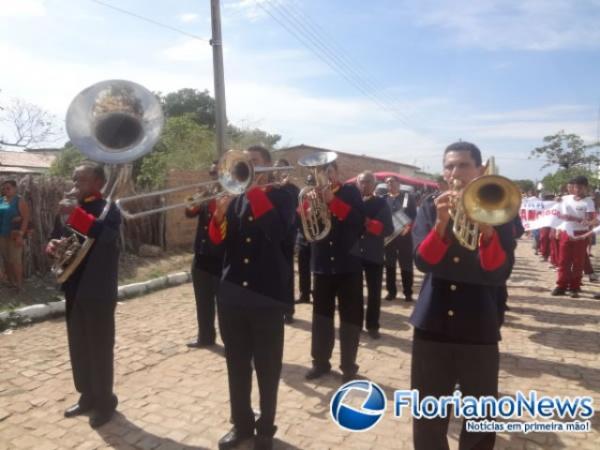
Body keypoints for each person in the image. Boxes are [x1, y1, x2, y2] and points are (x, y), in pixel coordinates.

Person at [410, 141, 515, 450]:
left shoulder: (498, 206)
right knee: (428, 417)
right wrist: (441, 225)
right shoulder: (431, 206)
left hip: (478, 323)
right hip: (432, 323)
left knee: (480, 419)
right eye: (449, 166)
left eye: (463, 165)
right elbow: (422, 261)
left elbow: (498, 272)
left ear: (480, 170)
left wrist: (488, 233)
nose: (455, 172)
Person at [208, 146, 295, 450]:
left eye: (255, 163)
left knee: (268, 367)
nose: (248, 168)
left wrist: (256, 192)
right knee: (236, 364)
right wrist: (218, 215)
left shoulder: (284, 195)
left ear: (269, 167)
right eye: (245, 164)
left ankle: (266, 428)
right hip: (232, 293)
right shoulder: (235, 197)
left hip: (266, 294)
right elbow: (218, 244)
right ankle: (241, 424)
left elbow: (280, 233)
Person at [46, 164, 121, 429]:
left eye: (82, 179)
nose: (76, 182)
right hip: (73, 286)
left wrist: (75, 213)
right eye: (75, 178)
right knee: (78, 345)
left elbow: (107, 235)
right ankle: (87, 395)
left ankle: (105, 401)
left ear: (98, 182)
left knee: (100, 348)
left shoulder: (109, 208)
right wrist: (52, 246)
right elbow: (57, 238)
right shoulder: (71, 208)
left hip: (99, 290)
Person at [305, 158, 365, 383]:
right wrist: (308, 211)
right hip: (322, 265)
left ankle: (349, 366)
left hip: (348, 265)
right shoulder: (310, 194)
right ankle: (320, 363)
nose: (325, 176)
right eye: (321, 172)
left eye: (328, 171)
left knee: (350, 319)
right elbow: (303, 228)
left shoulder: (350, 193)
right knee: (321, 319)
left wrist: (332, 202)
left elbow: (359, 222)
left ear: (337, 172)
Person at [185, 161, 223, 348]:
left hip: (221, 256)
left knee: (224, 303)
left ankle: (231, 342)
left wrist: (215, 198)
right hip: (201, 254)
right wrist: (196, 197)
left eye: (216, 173)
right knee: (203, 300)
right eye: (212, 173)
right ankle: (205, 337)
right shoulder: (207, 195)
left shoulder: (233, 194)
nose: (214, 177)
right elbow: (189, 212)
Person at [356, 171, 393, 339]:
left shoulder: (381, 204)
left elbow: (388, 229)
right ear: (358, 183)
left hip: (374, 253)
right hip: (354, 253)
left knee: (374, 293)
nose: (365, 185)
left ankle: (372, 326)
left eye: (369, 182)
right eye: (362, 182)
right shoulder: (353, 202)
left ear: (375, 184)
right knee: (353, 292)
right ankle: (354, 324)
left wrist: (368, 223)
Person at [551, 176, 595, 298]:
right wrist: (556, 200)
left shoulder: (588, 202)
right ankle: (561, 285)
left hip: (580, 234)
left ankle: (575, 287)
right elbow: (556, 210)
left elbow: (591, 220)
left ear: (586, 188)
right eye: (575, 187)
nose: (577, 189)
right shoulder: (565, 198)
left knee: (578, 262)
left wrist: (576, 219)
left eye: (580, 187)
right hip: (566, 233)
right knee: (563, 260)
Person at [274, 158, 299, 324]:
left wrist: (283, 188)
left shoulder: (292, 189)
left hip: (287, 238)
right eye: (276, 168)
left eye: (282, 168)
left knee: (287, 275)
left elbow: (294, 213)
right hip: (271, 237)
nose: (278, 171)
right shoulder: (269, 187)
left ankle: (288, 310)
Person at [384, 177, 417, 301]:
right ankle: (391, 292)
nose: (389, 184)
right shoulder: (384, 199)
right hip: (389, 238)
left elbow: (413, 215)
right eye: (387, 182)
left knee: (406, 265)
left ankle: (408, 293)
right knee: (390, 265)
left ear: (399, 184)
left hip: (405, 236)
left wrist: (408, 227)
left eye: (392, 181)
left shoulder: (408, 198)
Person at [0, 180, 30, 292]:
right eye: (4, 188)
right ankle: (12, 282)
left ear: (15, 188)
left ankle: (19, 285)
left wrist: (21, 235)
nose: (5, 190)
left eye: (8, 188)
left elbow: (26, 218)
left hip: (14, 235)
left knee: (16, 261)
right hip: (2, 235)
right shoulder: (1, 200)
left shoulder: (19, 200)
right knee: (7, 260)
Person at [295, 173, 315, 304]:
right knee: (303, 268)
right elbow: (296, 219)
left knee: (317, 270)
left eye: (312, 182)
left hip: (316, 239)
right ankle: (304, 294)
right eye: (308, 182)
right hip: (303, 238)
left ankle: (319, 294)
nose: (310, 185)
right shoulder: (303, 199)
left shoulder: (320, 198)